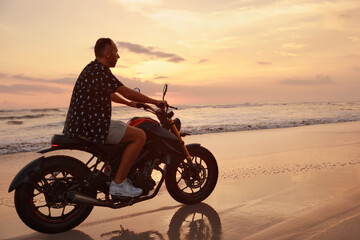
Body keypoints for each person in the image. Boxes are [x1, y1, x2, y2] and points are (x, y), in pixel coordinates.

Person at [63, 38, 166, 197]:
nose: (118, 56)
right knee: (139, 136)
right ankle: (119, 183)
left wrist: (130, 104)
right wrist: (155, 101)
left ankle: (108, 176)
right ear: (107, 53)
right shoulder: (101, 70)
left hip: (80, 125)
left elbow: (111, 94)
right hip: (93, 127)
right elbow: (125, 91)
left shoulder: (92, 69)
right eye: (116, 52)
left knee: (123, 128)